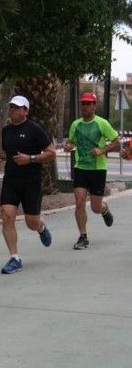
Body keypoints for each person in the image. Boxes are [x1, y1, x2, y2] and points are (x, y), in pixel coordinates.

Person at [0, 95, 56, 274]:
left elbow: (51, 152)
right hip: (11, 180)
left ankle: (41, 227)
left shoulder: (35, 129)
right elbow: (3, 152)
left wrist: (30, 159)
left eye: (17, 107)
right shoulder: (6, 131)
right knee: (6, 214)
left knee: (31, 222)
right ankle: (15, 258)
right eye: (11, 106)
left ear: (25, 111)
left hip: (32, 182)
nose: (13, 110)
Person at [63, 92, 120, 250]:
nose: (85, 107)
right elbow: (71, 142)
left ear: (95, 106)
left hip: (98, 169)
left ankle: (104, 209)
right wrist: (68, 147)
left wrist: (101, 151)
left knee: (95, 207)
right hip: (80, 167)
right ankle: (83, 237)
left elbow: (117, 142)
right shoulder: (76, 124)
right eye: (83, 104)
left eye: (88, 104)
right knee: (79, 203)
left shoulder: (102, 123)